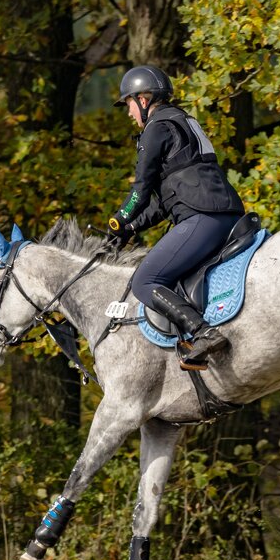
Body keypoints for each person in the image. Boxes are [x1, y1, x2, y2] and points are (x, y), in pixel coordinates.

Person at [107, 65, 245, 370]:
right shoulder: (183, 121)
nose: (129, 113)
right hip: (227, 213)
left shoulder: (156, 128)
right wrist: (131, 227)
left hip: (204, 217)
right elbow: (164, 202)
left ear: (143, 99)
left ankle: (203, 332)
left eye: (128, 103)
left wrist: (117, 220)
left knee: (145, 280)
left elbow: (141, 191)